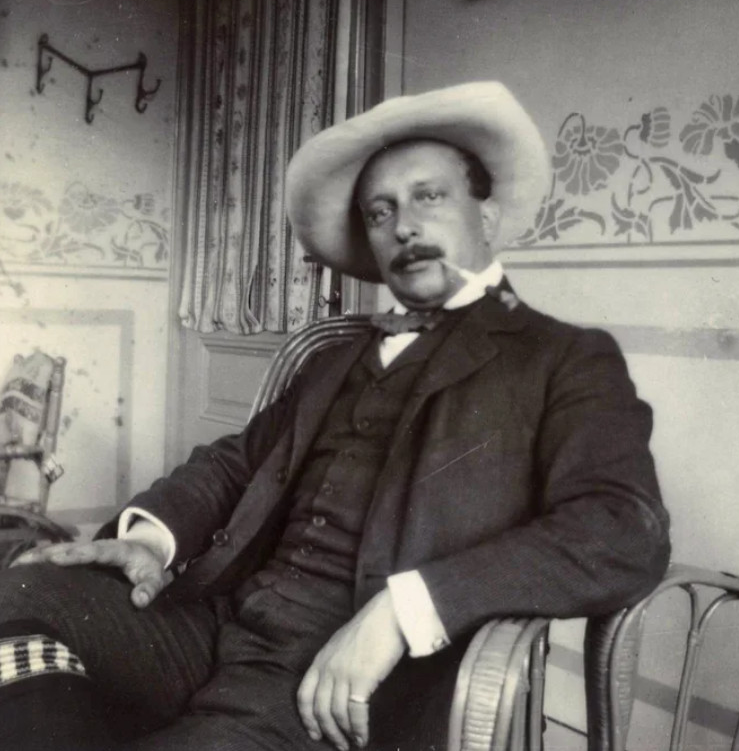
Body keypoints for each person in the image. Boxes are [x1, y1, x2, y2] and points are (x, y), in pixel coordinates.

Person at [0, 82, 670, 751]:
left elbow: (622, 527)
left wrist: (403, 610)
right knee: (20, 592)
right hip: (217, 623)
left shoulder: (562, 356)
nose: (403, 226)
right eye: (380, 212)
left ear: (487, 215)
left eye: (428, 196)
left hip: (341, 682)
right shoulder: (335, 358)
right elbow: (238, 462)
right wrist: (152, 540)